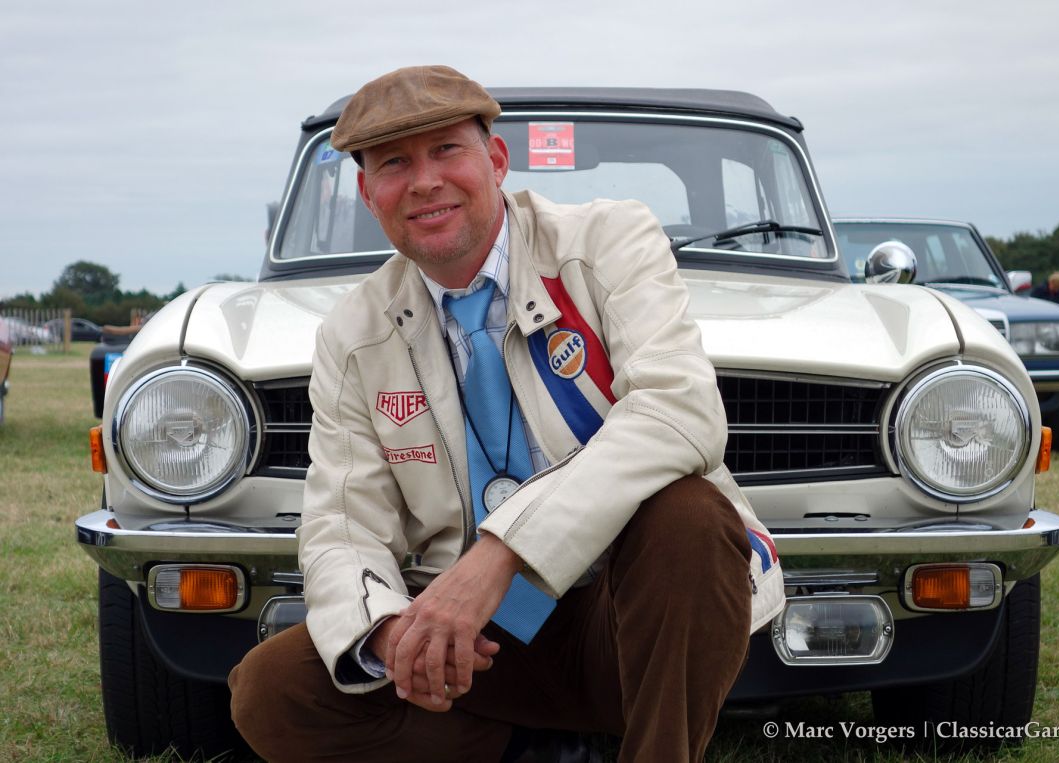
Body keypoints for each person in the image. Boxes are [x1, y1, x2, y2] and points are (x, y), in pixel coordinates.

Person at [229, 65, 784, 763]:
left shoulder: (609, 239)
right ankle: (537, 750)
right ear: (369, 195)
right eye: (394, 164)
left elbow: (680, 411)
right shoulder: (352, 331)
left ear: (496, 160)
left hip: (620, 600)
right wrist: (390, 633)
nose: (424, 181)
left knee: (690, 516)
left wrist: (501, 553)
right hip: (486, 636)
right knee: (271, 689)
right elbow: (343, 524)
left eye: (446, 150)